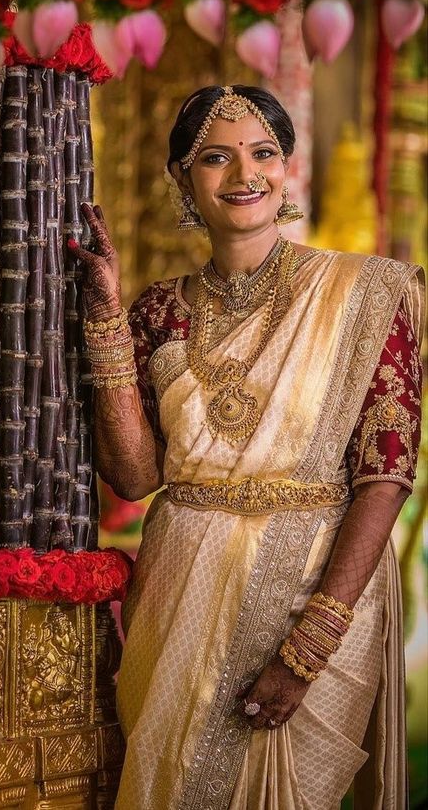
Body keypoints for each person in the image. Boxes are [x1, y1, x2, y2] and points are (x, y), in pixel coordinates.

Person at [69, 85, 425, 810]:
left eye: (263, 153)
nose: (244, 174)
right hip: (178, 596)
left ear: (286, 166)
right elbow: (136, 475)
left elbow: (385, 475)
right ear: (182, 179)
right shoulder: (158, 311)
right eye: (215, 158)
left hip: (317, 593)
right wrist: (107, 317)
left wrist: (309, 646)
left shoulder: (364, 294)